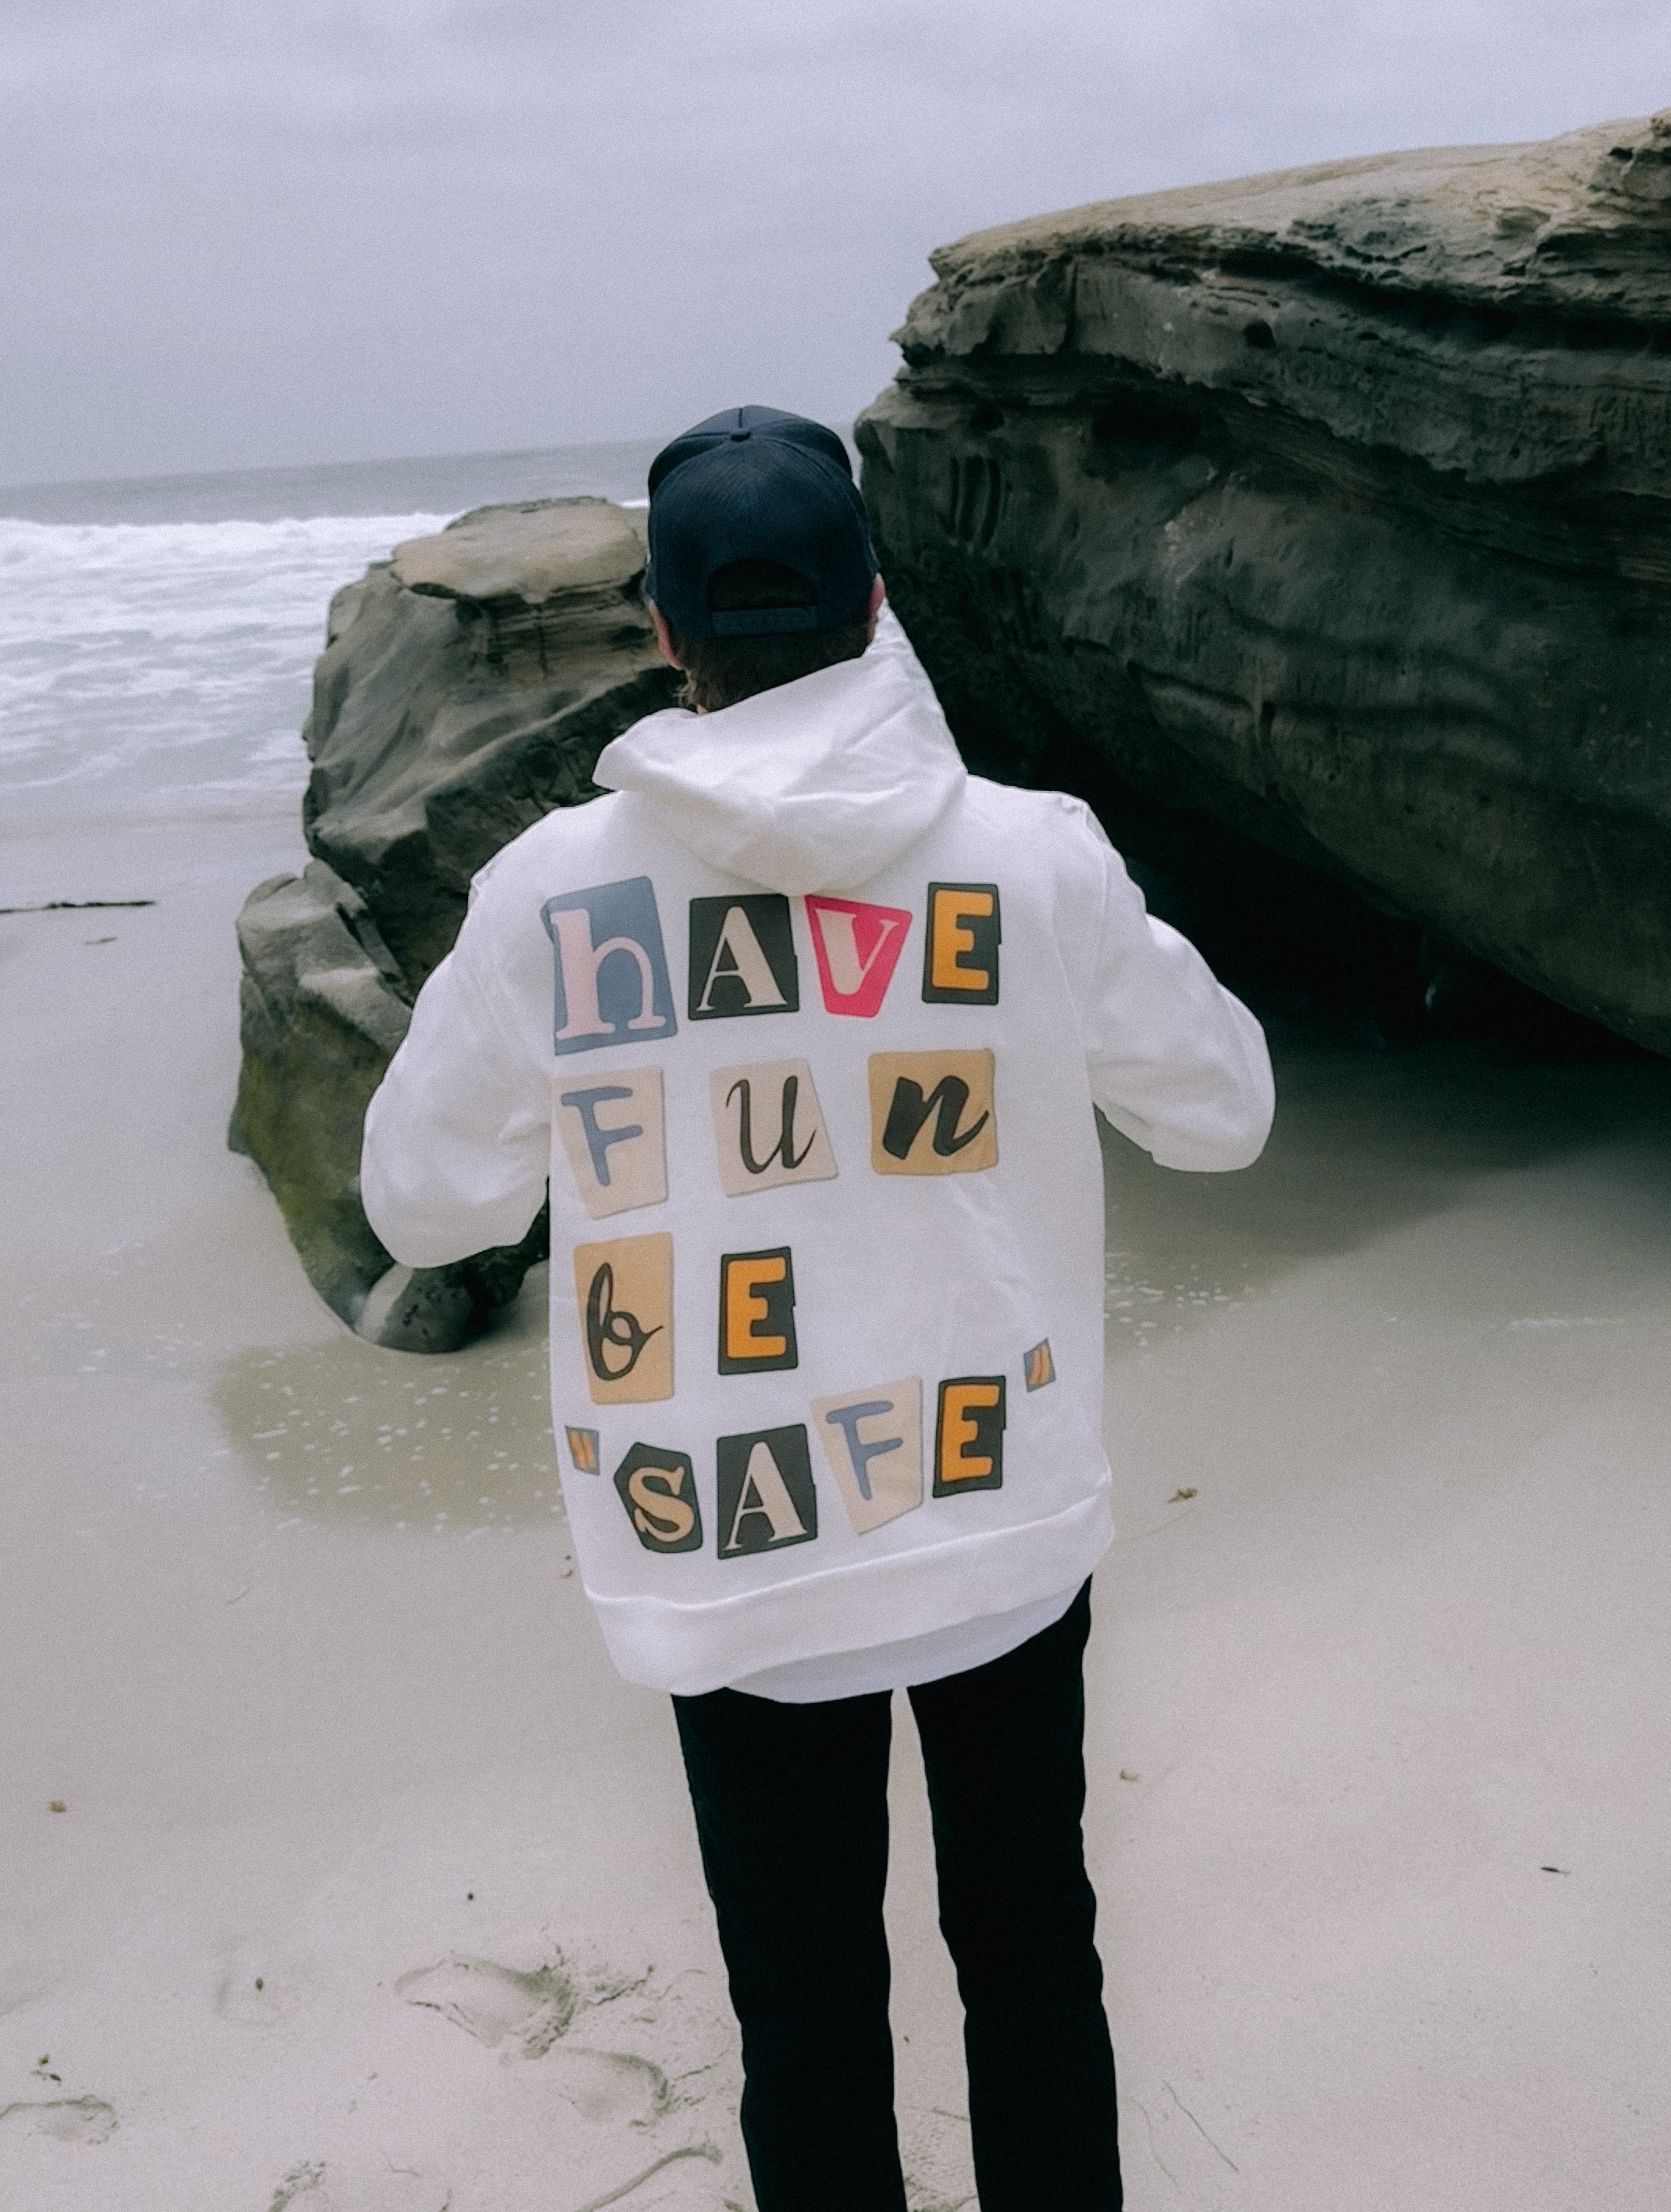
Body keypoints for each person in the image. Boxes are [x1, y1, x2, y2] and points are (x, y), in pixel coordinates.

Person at [361, 405, 1274, 2211]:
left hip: (729, 1546)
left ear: (664, 631)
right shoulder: (1037, 855)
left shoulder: (554, 894)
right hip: (996, 1514)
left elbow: (427, 1197)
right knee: (1032, 1957)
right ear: (878, 608)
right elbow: (1224, 1114)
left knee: (801, 2008)